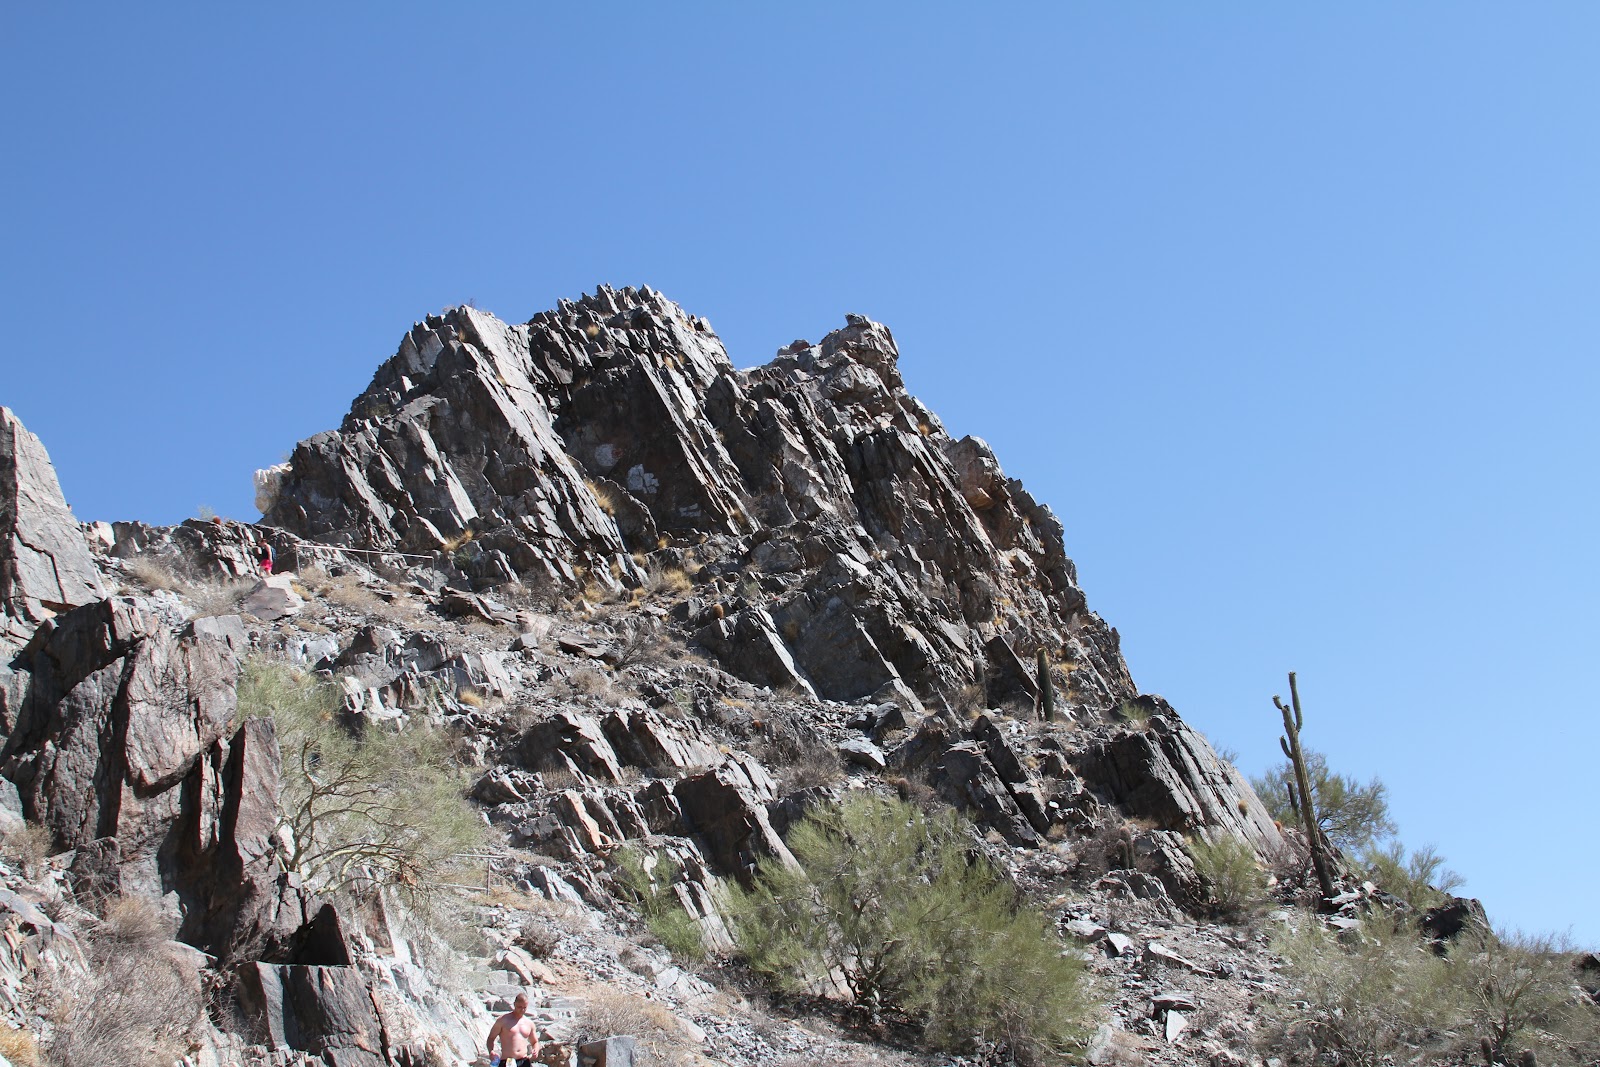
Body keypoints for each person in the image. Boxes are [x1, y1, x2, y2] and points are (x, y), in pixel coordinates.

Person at [486, 992, 540, 1067]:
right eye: (519, 1007)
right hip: (508, 1061)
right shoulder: (503, 1020)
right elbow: (491, 1038)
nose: (522, 1010)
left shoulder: (529, 1023)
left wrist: (535, 1050)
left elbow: (535, 1042)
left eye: (524, 1007)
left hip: (523, 1060)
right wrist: (491, 1051)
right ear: (514, 1004)